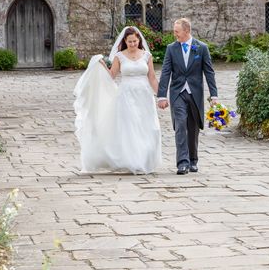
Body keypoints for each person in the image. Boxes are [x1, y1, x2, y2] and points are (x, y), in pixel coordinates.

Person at [73, 26, 162, 174]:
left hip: (144, 95)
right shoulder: (120, 56)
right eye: (129, 41)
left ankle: (144, 159)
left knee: (147, 127)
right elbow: (111, 76)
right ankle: (133, 161)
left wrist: (161, 95)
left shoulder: (147, 56)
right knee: (130, 128)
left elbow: (152, 77)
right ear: (125, 41)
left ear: (139, 40)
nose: (132, 44)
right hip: (126, 95)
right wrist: (101, 65)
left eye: (134, 41)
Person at [157, 18, 218, 175]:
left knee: (193, 127)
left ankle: (193, 160)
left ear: (187, 31)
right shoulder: (171, 49)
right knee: (180, 125)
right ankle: (182, 163)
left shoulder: (201, 48)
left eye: (177, 31)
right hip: (177, 92)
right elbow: (165, 72)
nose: (174, 34)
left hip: (195, 93)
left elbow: (209, 72)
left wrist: (214, 95)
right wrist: (162, 95)